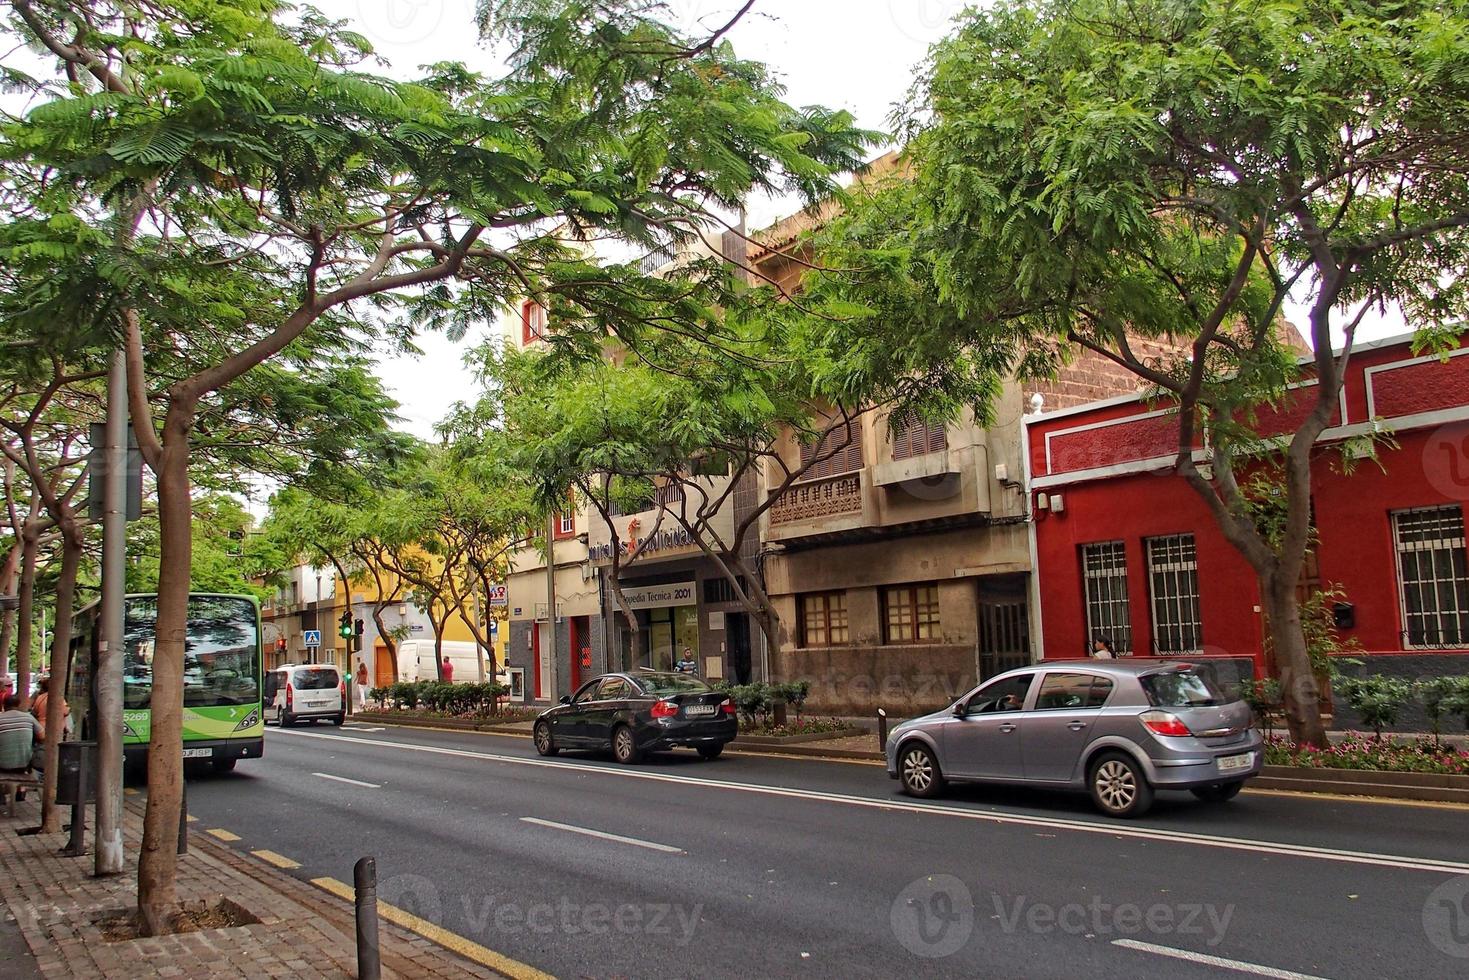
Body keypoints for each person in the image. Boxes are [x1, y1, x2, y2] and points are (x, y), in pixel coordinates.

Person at [0, 692, 44, 799]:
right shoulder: (28, 717)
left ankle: (1, 796)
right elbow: (43, 736)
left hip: (2, 765)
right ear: (19, 705)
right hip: (24, 764)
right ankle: (20, 791)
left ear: (3, 705)